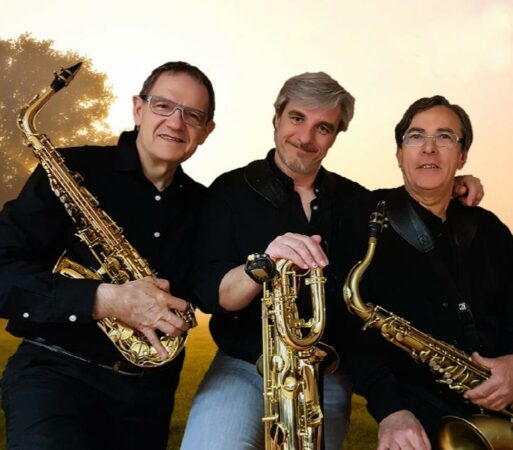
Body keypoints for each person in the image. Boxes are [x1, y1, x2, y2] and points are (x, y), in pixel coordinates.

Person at [180, 73, 484, 450]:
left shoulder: (359, 202)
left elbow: (414, 202)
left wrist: (455, 183)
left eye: (323, 127)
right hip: (243, 366)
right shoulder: (229, 190)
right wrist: (264, 263)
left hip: (327, 372)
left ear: (337, 134)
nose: (306, 137)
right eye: (297, 118)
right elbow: (211, 294)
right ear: (277, 117)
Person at [0, 61, 215, 450]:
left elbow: (211, 290)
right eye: (163, 106)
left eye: (193, 115)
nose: (176, 122)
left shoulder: (207, 206)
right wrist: (103, 299)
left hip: (146, 397)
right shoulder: (70, 168)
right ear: (138, 108)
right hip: (55, 375)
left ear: (206, 131)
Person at [341, 95, 513, 449]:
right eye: (416, 136)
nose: (429, 148)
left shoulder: (490, 228)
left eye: (444, 137)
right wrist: (391, 410)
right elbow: (348, 331)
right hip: (416, 414)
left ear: (462, 156)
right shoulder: (362, 216)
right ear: (399, 153)